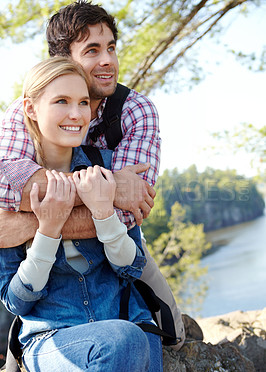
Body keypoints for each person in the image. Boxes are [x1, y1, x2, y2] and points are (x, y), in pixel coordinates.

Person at [0, 1, 202, 345]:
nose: (107, 60)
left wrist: (32, 221)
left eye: (111, 48)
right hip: (41, 253)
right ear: (63, 59)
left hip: (110, 241)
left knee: (172, 336)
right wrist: (105, 188)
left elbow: (128, 210)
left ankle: (178, 323)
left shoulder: (135, 110)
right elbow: (5, 188)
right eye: (92, 50)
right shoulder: (27, 109)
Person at [0, 56, 165, 372]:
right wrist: (47, 231)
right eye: (62, 101)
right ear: (30, 109)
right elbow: (15, 301)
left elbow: (132, 267)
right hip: (51, 339)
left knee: (131, 338)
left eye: (83, 103)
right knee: (123, 341)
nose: (77, 114)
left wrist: (104, 214)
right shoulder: (12, 186)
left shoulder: (110, 171)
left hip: (130, 322)